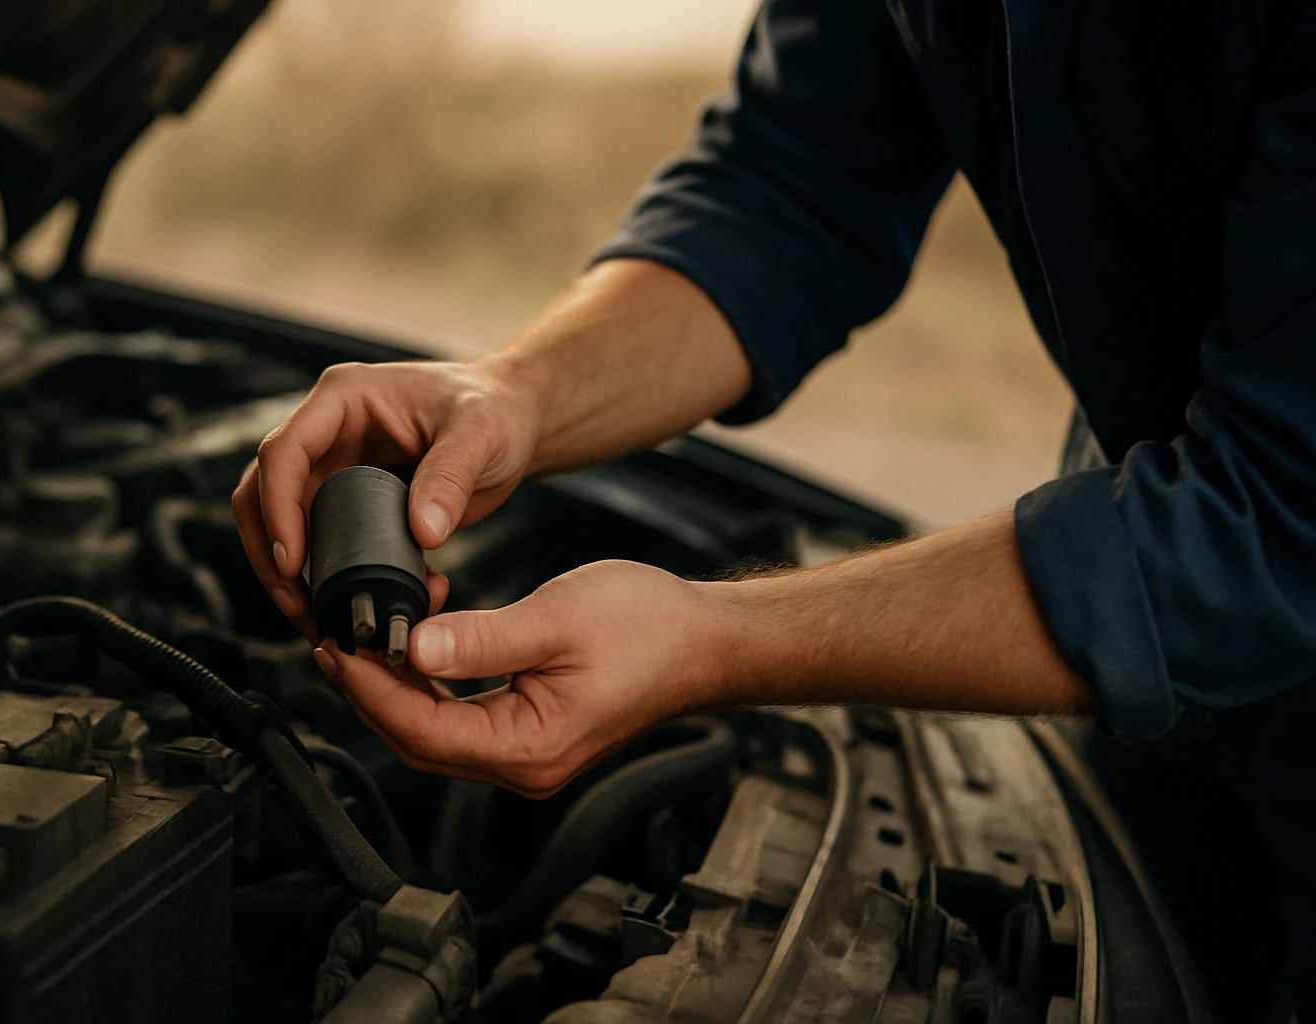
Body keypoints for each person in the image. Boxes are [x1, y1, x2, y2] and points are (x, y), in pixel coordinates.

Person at [234, 1, 1316, 1017]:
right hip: (1147, 705)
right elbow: (789, 188)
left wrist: (715, 640)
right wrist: (513, 391)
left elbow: (1273, 517)